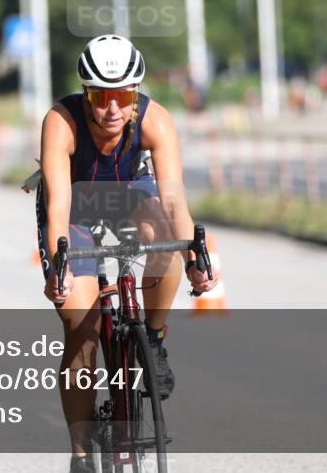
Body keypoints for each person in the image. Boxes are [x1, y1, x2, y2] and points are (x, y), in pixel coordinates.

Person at [36, 35, 219, 471]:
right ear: (87, 94)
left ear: (135, 94)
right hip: (76, 208)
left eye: (123, 95)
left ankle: (152, 340)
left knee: (167, 242)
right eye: (101, 96)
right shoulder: (61, 122)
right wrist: (59, 265)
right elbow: (59, 204)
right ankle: (81, 451)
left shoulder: (156, 121)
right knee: (82, 331)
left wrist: (195, 254)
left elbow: (174, 200)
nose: (113, 108)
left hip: (129, 198)